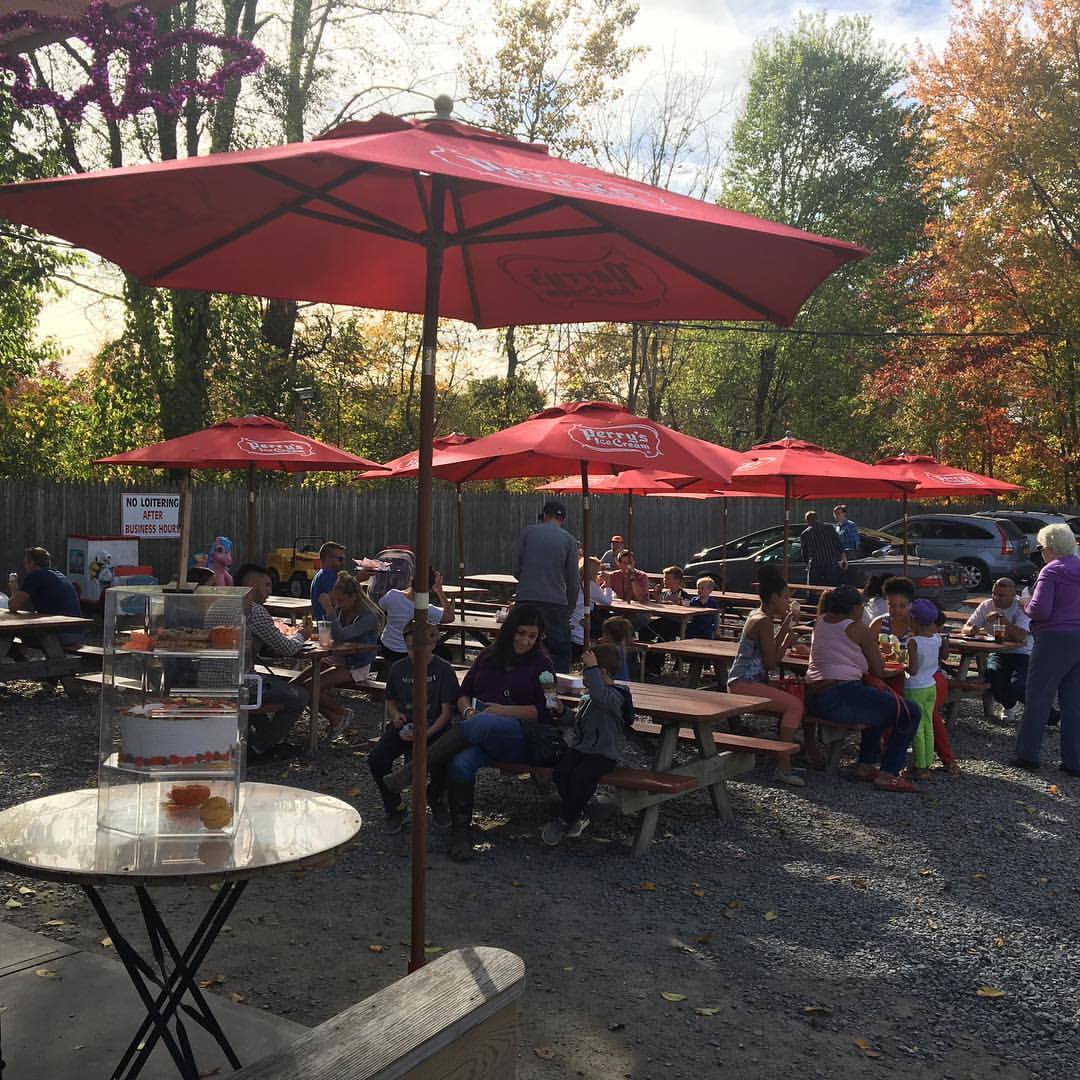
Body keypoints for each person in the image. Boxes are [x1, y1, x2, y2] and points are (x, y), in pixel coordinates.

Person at [385, 605, 556, 861]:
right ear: (510, 631)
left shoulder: (542, 664)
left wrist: (500, 713)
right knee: (461, 763)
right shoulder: (488, 657)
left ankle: (413, 770)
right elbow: (463, 694)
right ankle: (460, 833)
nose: (525, 640)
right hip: (476, 730)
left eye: (532, 636)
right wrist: (467, 713)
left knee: (485, 722)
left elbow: (545, 711)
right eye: (521, 633)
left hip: (520, 736)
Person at [804, 584, 920, 792]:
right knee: (910, 711)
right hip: (842, 694)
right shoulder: (857, 628)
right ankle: (888, 773)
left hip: (813, 696)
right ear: (855, 608)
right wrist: (904, 667)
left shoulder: (821, 621)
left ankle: (866, 764)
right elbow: (879, 669)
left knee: (879, 704)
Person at [727, 570, 820, 783]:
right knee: (794, 704)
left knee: (799, 691)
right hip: (744, 683)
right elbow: (771, 662)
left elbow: (768, 650)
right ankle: (783, 766)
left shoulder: (758, 615)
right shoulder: (764, 622)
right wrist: (788, 639)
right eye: (785, 597)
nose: (788, 601)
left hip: (746, 680)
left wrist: (785, 627)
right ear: (773, 598)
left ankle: (804, 750)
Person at [369, 621, 460, 834]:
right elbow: (390, 700)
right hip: (406, 726)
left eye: (420, 648)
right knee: (376, 759)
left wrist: (426, 733)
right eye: (410, 648)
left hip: (435, 727)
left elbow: (447, 712)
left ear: (433, 644)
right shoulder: (399, 668)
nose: (415, 653)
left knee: (444, 757)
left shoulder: (444, 670)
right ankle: (395, 807)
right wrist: (396, 715)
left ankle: (436, 798)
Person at [542, 643, 632, 845]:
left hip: (604, 753)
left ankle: (565, 819)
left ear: (601, 672)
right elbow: (578, 721)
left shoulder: (615, 696)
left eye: (587, 670)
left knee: (582, 776)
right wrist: (562, 712)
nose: (583, 674)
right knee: (561, 772)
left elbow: (602, 698)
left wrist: (591, 668)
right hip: (582, 747)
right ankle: (577, 814)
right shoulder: (589, 696)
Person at [1014, 524, 1080, 774]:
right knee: (1074, 703)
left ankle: (1028, 755)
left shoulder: (1051, 571)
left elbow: (1040, 610)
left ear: (1050, 548)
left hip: (1054, 638)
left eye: (1041, 548)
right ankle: (1074, 761)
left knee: (1039, 697)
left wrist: (1025, 603)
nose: (1040, 552)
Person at [233, 563, 310, 762]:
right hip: (241, 684)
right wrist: (303, 635)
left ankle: (266, 741)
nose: (270, 590)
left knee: (269, 686)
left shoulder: (220, 604)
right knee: (299, 695)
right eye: (266, 585)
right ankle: (261, 746)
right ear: (251, 586)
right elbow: (288, 649)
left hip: (214, 682)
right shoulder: (255, 611)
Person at [304, 571, 384, 738]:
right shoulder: (344, 610)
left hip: (356, 664)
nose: (338, 605)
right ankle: (335, 717)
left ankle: (342, 713)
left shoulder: (369, 616)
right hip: (337, 657)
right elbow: (334, 633)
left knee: (310, 688)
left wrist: (329, 610)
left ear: (354, 596)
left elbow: (342, 635)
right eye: (336, 601)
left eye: (341, 601)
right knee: (296, 686)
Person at [514, 500, 578, 674]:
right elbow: (573, 580)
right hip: (555, 602)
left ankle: (516, 683)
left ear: (544, 516)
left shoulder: (528, 533)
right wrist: (569, 609)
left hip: (527, 598)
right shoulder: (569, 540)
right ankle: (557, 690)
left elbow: (517, 570)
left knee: (519, 645)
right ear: (562, 519)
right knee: (560, 650)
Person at [962, 577, 1033, 723]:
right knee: (992, 677)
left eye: (1001, 595)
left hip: (1024, 653)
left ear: (1013, 596)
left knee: (1019, 685)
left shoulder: (1022, 606)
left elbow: (1020, 637)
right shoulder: (986, 605)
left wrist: (1003, 620)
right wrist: (974, 628)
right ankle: (1009, 705)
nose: (996, 598)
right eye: (994, 593)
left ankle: (1051, 716)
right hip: (999, 652)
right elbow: (966, 628)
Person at [376, 567, 454, 672]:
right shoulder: (425, 609)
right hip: (409, 652)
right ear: (430, 589)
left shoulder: (392, 595)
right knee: (445, 653)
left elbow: (380, 606)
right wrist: (440, 591)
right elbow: (450, 617)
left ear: (412, 579)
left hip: (387, 647)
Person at [9, 547, 85, 647]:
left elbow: (13, 606)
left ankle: (23, 660)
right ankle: (23, 660)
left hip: (61, 634)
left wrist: (13, 588)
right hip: (77, 633)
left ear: (32, 563)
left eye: (25, 563)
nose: (25, 567)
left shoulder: (35, 576)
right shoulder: (59, 575)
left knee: (13, 634)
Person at [904, 599, 942, 781]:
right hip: (931, 684)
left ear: (915, 620)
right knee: (928, 724)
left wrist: (901, 662)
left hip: (915, 686)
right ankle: (927, 761)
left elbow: (912, 669)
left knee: (917, 727)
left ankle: (919, 765)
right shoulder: (937, 638)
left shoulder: (913, 641)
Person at [570, 557, 614, 657]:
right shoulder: (589, 584)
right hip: (583, 623)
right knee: (612, 628)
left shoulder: (576, 581)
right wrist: (608, 584)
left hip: (574, 619)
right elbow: (607, 601)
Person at [799, 511, 847, 587]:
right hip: (831, 562)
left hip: (815, 564)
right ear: (817, 518)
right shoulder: (829, 528)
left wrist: (807, 564)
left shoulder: (805, 534)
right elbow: (839, 545)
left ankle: (813, 598)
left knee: (813, 589)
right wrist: (844, 559)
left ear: (807, 521)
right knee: (832, 588)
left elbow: (805, 553)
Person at [868, 576, 917, 645]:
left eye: (902, 606)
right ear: (886, 603)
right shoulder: (878, 625)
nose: (897, 610)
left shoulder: (917, 626)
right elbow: (868, 651)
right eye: (892, 605)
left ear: (911, 604)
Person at [310, 542, 347, 620]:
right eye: (340, 559)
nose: (343, 563)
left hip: (323, 624)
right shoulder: (327, 575)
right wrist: (358, 579)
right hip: (327, 626)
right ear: (328, 558)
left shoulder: (322, 574)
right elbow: (336, 599)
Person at [600, 616, 635, 681]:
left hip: (615, 682)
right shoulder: (621, 646)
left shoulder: (610, 650)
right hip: (624, 680)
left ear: (609, 635)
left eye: (604, 633)